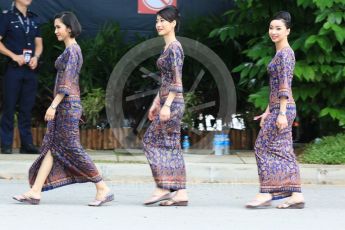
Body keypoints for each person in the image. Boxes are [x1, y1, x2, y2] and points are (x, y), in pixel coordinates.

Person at [13, 12, 113, 206]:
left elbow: (66, 84)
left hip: (67, 106)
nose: (55, 31)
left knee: (72, 148)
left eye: (58, 27)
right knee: (51, 148)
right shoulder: (69, 50)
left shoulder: (73, 51)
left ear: (69, 28)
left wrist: (53, 106)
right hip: (64, 106)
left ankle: (102, 187)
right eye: (55, 27)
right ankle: (35, 192)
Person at [246, 11, 305, 209]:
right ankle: (296, 195)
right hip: (280, 107)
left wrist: (279, 112)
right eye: (271, 28)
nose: (273, 32)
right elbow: (275, 86)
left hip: (284, 108)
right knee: (284, 151)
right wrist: (267, 110)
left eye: (278, 28)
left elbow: (284, 85)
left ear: (288, 31)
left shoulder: (286, 54)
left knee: (262, 147)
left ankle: (267, 192)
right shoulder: (281, 53)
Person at [142, 5, 188, 207]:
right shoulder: (167, 48)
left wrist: (167, 105)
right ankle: (180, 193)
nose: (158, 24)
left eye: (163, 21)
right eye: (157, 21)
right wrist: (156, 103)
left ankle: (163, 187)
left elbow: (177, 82)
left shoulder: (175, 48)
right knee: (171, 146)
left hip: (173, 103)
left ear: (174, 24)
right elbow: (165, 81)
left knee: (151, 141)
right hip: (167, 101)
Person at [0, 0, 42, 154]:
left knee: (27, 108)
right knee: (9, 107)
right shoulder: (6, 17)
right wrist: (13, 56)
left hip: (30, 70)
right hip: (13, 69)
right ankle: (6, 144)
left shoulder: (34, 18)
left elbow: (39, 43)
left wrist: (36, 57)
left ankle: (27, 144)